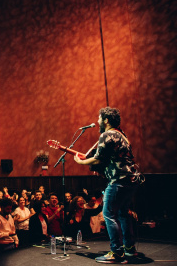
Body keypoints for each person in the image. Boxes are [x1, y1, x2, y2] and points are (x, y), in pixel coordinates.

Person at [74, 107, 143, 263]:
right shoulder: (122, 136)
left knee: (109, 214)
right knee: (123, 214)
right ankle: (129, 249)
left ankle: (117, 253)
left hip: (118, 180)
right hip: (130, 181)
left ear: (106, 120)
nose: (98, 121)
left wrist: (81, 161)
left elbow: (98, 158)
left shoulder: (107, 134)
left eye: (99, 118)